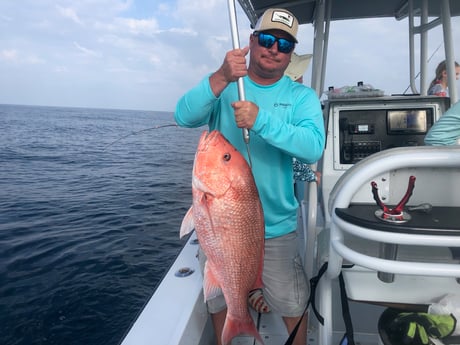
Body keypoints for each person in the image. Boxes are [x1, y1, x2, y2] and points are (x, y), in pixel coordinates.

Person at [175, 7, 325, 345]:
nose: (274, 49)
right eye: (268, 39)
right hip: (220, 225)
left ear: (291, 55)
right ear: (252, 41)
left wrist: (261, 121)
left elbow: (313, 147)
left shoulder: (301, 97)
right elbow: (183, 116)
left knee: (292, 302)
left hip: (277, 227)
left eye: (284, 45)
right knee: (217, 298)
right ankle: (227, 335)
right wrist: (220, 77)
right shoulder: (227, 86)